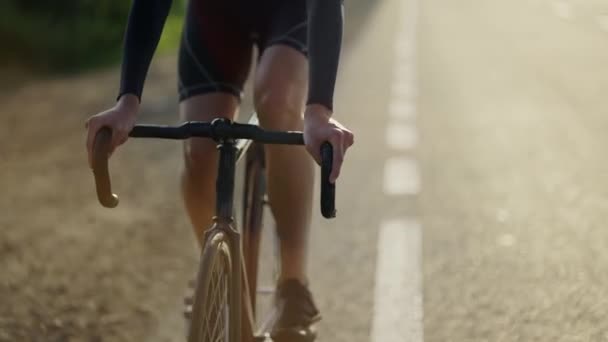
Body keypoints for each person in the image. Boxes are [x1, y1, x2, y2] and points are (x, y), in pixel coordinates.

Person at [84, 0, 354, 340]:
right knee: (199, 150)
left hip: (292, 10)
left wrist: (316, 112)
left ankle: (294, 284)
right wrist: (128, 101)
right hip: (215, 16)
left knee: (279, 99)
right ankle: (226, 292)